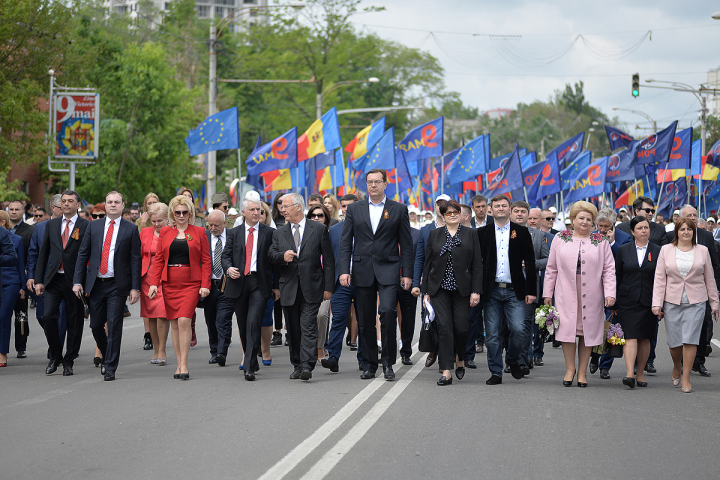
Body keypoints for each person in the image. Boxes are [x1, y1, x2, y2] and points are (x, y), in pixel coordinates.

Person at [339, 169, 413, 381]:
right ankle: (369, 365)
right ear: (366, 185)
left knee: (388, 312)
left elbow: (406, 245)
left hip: (389, 270)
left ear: (385, 184)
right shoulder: (354, 209)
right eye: (370, 182)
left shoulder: (398, 209)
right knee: (365, 320)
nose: (373, 185)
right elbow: (346, 242)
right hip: (362, 270)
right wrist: (345, 270)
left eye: (377, 182)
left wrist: (407, 274)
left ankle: (389, 363)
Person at [543, 201, 616, 387]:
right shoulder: (560, 238)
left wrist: (610, 293)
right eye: (580, 218)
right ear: (573, 219)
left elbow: (609, 269)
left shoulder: (601, 241)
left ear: (593, 222)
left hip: (592, 294)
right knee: (567, 331)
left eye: (588, 219)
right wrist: (547, 293)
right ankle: (570, 369)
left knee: (587, 332)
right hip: (565, 292)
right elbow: (551, 268)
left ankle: (582, 373)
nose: (584, 222)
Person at [73, 191, 141, 381]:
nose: (113, 205)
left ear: (122, 205)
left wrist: (135, 288)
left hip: (117, 285)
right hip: (95, 284)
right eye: (109, 202)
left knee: (114, 324)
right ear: (105, 204)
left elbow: (135, 260)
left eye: (116, 202)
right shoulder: (93, 227)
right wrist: (77, 281)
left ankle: (110, 366)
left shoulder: (130, 229)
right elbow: (83, 255)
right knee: (95, 325)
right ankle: (105, 352)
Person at [269, 193, 334, 381]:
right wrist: (283, 256)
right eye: (281, 207)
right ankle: (297, 364)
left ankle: (307, 365)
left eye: (286, 206)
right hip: (289, 288)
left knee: (308, 326)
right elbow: (271, 255)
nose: (282, 210)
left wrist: (328, 287)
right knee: (294, 330)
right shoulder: (279, 232)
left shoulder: (319, 229)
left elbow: (328, 261)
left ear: (298, 207)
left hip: (312, 286)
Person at [653, 217, 719, 393]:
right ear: (677, 232)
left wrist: (714, 303)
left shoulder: (702, 251)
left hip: (696, 301)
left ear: (694, 232)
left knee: (690, 340)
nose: (686, 232)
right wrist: (657, 304)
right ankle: (677, 366)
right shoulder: (666, 250)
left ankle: (687, 377)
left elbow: (709, 278)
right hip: (671, 301)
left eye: (689, 229)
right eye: (682, 229)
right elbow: (660, 279)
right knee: (674, 343)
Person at [148, 195, 211, 380]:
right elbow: (159, 259)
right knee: (174, 323)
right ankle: (178, 364)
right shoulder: (166, 232)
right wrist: (154, 283)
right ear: (172, 214)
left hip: (191, 283)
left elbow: (206, 260)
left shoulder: (199, 231)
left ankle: (184, 364)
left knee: (184, 320)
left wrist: (205, 284)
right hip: (170, 283)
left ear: (190, 212)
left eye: (185, 212)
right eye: (177, 212)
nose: (181, 215)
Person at [477, 195, 536, 385]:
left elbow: (531, 262)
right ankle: (496, 372)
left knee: (518, 329)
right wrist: (476, 290)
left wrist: (531, 290)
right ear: (490, 210)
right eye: (497, 206)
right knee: (493, 335)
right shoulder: (482, 233)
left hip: (514, 290)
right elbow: (477, 265)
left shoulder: (521, 232)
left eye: (504, 206)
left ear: (510, 209)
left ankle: (512, 358)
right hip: (491, 290)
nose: (500, 209)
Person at [422, 199, 482, 386]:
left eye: (456, 212)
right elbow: (428, 264)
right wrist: (426, 292)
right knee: (444, 328)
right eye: (449, 213)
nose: (453, 215)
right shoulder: (434, 234)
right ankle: (446, 370)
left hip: (462, 290)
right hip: (439, 289)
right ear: (442, 215)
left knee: (462, 328)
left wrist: (476, 291)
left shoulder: (471, 234)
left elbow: (477, 265)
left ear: (461, 214)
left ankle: (461, 358)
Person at [34, 190, 90, 376]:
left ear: (78, 205)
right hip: (54, 279)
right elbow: (43, 254)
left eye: (70, 201)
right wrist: (39, 280)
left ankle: (69, 360)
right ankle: (56, 355)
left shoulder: (85, 225)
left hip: (75, 281)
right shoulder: (52, 224)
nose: (66, 204)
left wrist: (84, 282)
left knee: (74, 322)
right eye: (64, 201)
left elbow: (88, 255)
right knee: (48, 316)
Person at [667, 205, 720, 378]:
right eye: (689, 216)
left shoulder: (705, 239)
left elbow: (712, 269)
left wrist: (715, 296)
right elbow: (662, 275)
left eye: (695, 216)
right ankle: (678, 364)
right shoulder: (668, 244)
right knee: (676, 339)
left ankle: (694, 368)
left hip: (698, 296)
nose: (693, 218)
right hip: (674, 298)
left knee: (698, 333)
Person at [613, 216, 661, 388]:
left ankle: (640, 373)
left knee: (645, 338)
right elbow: (617, 276)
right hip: (627, 300)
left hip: (649, 301)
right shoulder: (623, 250)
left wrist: (660, 303)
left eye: (646, 228)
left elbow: (661, 278)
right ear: (632, 232)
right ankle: (629, 373)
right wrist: (613, 303)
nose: (643, 231)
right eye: (640, 228)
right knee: (630, 336)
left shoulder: (658, 250)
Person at [589, 207, 632, 379]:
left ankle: (605, 366)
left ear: (613, 225)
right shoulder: (591, 237)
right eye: (600, 226)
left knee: (610, 325)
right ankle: (594, 356)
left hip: (613, 289)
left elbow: (621, 262)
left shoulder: (624, 238)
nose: (602, 230)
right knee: (594, 326)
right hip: (592, 288)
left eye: (606, 226)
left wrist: (612, 243)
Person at [322, 194, 361, 373]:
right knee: (338, 319)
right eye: (344, 206)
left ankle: (365, 359)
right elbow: (329, 259)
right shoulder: (334, 230)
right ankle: (333, 357)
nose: (346, 209)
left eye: (350, 206)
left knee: (365, 321)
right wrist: (329, 284)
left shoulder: (367, 228)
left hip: (363, 282)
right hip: (340, 283)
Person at [509, 201, 549, 370]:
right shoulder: (503, 232)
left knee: (525, 325)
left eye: (522, 211)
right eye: (516, 211)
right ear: (511, 213)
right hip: (506, 286)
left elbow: (548, 260)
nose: (519, 214)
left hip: (528, 287)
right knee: (509, 327)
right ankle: (511, 357)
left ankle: (523, 359)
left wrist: (531, 264)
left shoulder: (539, 236)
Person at [411, 195, 449, 368]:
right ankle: (433, 349)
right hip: (430, 281)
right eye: (438, 204)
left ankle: (445, 355)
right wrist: (416, 284)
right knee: (429, 316)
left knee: (447, 320)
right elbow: (419, 258)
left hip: (451, 281)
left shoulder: (458, 227)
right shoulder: (425, 231)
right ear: (434, 207)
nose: (441, 207)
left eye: (445, 204)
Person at [140, 202, 169, 365]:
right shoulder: (144, 232)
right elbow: (137, 255)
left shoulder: (172, 232)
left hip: (165, 277)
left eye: (160, 221)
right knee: (150, 313)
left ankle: (162, 350)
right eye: (154, 221)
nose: (157, 224)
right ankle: (156, 350)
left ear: (167, 219)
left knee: (162, 313)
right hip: (147, 277)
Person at [7, 200, 33, 357]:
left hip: (22, 277)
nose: (14, 212)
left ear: (23, 211)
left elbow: (33, 253)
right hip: (7, 277)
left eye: (17, 209)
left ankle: (21, 346)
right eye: (11, 209)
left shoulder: (30, 230)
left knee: (21, 314)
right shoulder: (4, 231)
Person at [307, 204, 332, 360]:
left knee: (322, 315)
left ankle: (321, 347)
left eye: (320, 215)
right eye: (313, 215)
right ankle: (308, 350)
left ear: (326, 218)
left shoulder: (332, 234)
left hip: (325, 283)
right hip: (307, 282)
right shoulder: (305, 234)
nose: (316, 218)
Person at [0, 211, 25, 367]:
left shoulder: (14, 238)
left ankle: (2, 352)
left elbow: (18, 262)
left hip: (10, 282)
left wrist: (23, 286)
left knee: (3, 316)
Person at [269, 193, 286, 347]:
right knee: (277, 300)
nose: (281, 205)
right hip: (277, 264)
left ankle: (290, 330)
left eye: (284, 202)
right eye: (279, 202)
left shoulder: (292, 219)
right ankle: (278, 331)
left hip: (290, 264)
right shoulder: (272, 221)